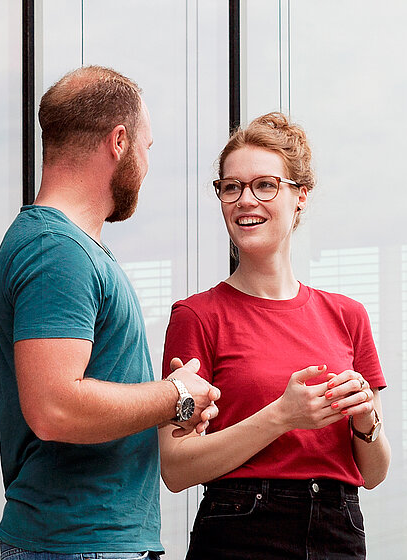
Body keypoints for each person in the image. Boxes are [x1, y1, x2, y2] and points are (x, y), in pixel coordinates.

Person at [0, 65, 222, 560]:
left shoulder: (69, 248)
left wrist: (171, 403)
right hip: (80, 544)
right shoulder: (57, 250)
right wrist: (174, 395)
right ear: (119, 141)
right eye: (147, 147)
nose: (147, 162)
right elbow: (54, 407)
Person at [159, 112, 390, 560]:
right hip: (241, 529)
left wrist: (365, 420)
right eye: (231, 187)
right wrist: (282, 415)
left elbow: (376, 472)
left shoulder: (348, 316)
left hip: (339, 530)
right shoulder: (197, 316)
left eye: (265, 185)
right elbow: (175, 466)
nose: (246, 199)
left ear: (300, 196)